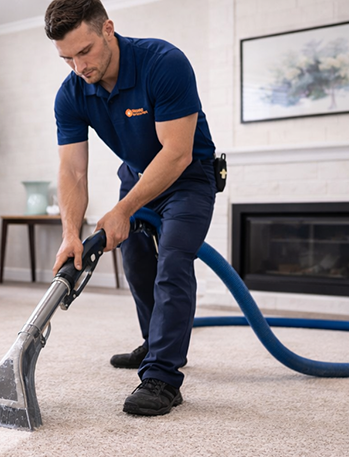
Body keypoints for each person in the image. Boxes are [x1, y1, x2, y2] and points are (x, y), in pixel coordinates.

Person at [45, 0, 217, 416]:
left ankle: (162, 377)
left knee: (173, 261)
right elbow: (72, 171)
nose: (78, 66)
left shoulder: (163, 62)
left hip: (189, 176)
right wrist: (71, 232)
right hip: (139, 177)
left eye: (84, 51)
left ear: (108, 29)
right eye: (67, 58)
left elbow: (176, 154)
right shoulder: (71, 94)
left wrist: (123, 209)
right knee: (137, 261)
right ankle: (154, 342)